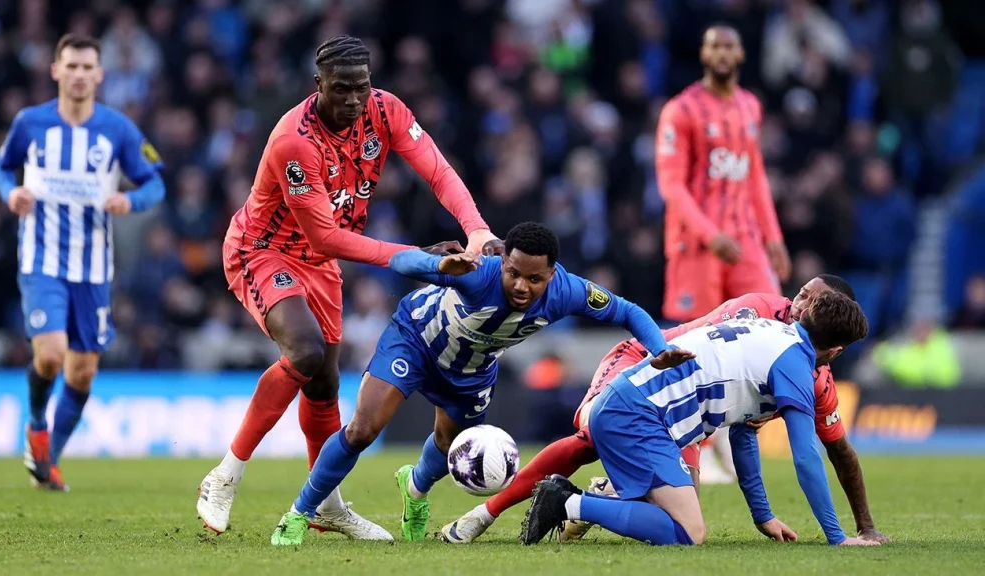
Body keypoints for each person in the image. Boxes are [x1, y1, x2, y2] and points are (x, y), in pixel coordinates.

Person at [194, 36, 502, 539]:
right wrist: (417, 260)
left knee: (324, 384)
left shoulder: (386, 111)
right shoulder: (295, 139)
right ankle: (225, 475)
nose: (354, 100)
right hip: (264, 249)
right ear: (318, 86)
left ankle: (325, 505)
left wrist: (476, 229)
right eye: (341, 89)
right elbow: (324, 235)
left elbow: (438, 172)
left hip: (322, 262)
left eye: (362, 87)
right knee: (307, 353)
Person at [268, 222, 694, 545]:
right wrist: (437, 264)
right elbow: (399, 263)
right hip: (416, 339)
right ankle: (299, 513)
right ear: (503, 261)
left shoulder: (569, 292)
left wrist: (657, 348)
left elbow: (630, 312)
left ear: (552, 275)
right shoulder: (476, 273)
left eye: (534, 279)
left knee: (445, 442)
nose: (521, 286)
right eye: (514, 273)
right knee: (363, 429)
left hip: (471, 371)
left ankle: (414, 489)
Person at [444, 275, 890, 544]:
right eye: (802, 294)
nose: (798, 302)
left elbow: (742, 426)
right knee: (675, 518)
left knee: (675, 508)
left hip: (663, 406)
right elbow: (804, 453)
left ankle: (600, 495)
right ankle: (525, 507)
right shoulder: (765, 322)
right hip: (645, 367)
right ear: (835, 345)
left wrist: (762, 515)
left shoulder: (793, 354)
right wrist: (837, 538)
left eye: (810, 300)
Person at [0, 34, 166, 491]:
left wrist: (132, 200)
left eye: (88, 67)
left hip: (93, 267)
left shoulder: (118, 129)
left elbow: (155, 181)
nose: (80, 75)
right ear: (55, 71)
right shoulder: (30, 124)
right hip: (42, 259)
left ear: (100, 74)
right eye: (71, 66)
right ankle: (35, 424)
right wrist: (11, 192)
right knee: (49, 355)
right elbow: (1, 166)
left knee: (83, 370)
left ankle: (48, 460)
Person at [657, 23, 793, 479]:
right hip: (699, 244)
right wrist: (708, 232)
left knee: (769, 326)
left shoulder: (751, 106)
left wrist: (773, 238)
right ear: (703, 52)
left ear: (739, 54)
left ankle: (736, 442)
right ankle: (696, 445)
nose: (721, 52)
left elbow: (754, 178)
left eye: (728, 45)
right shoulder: (681, 110)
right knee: (696, 340)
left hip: (746, 241)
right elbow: (671, 185)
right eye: (713, 44)